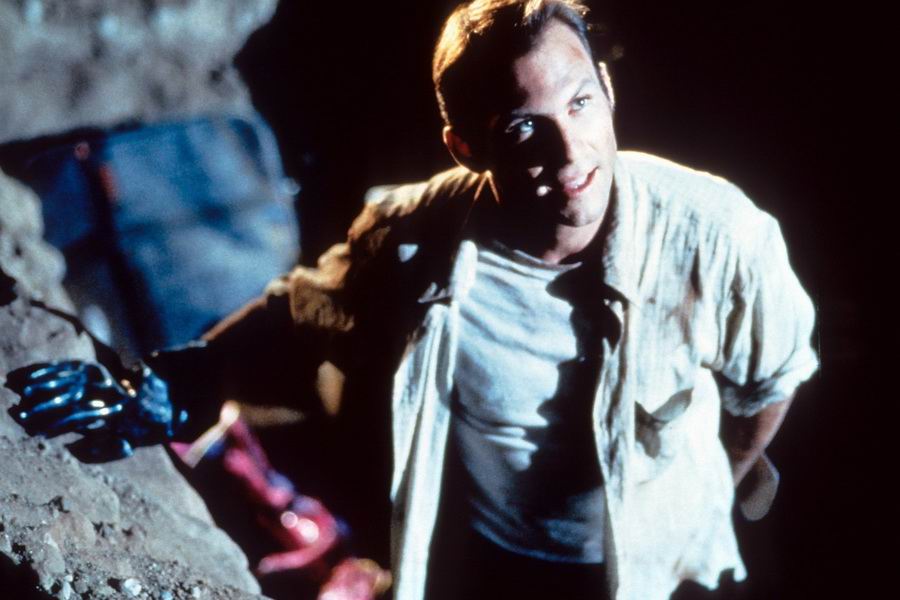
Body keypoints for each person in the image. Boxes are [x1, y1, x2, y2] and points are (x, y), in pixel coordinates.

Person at [6, 1, 819, 599]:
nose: (571, 154)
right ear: (467, 148)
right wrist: (171, 385)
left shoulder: (720, 236)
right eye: (524, 129)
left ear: (607, 88)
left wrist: (707, 487)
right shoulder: (414, 234)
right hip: (489, 552)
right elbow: (298, 316)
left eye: (580, 103)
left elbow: (771, 381)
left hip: (653, 563)